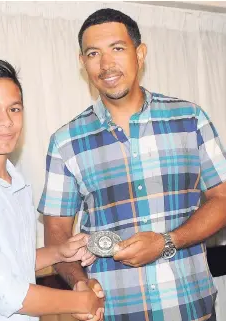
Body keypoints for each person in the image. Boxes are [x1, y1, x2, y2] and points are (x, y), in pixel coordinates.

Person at [38, 8, 226, 321]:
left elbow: (223, 198)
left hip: (190, 310)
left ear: (140, 54)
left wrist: (168, 241)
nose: (106, 64)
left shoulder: (189, 118)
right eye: (94, 53)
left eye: (118, 48)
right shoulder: (65, 141)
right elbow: (56, 234)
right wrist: (80, 284)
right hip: (113, 313)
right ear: (82, 62)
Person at [0, 59, 105, 321]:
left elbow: (10, 263)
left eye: (14, 109)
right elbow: (4, 293)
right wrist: (83, 300)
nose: (5, 121)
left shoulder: (17, 184)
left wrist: (58, 253)